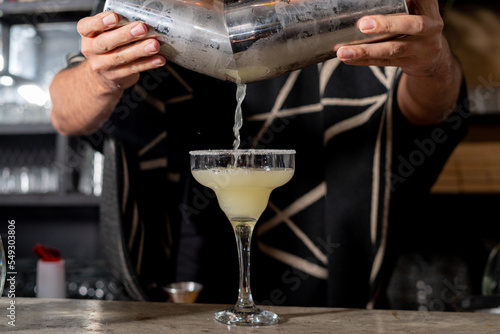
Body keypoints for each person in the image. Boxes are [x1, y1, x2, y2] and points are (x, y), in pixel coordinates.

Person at [49, 0, 469, 308]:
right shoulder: (155, 9)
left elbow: (429, 113)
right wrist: (100, 76)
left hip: (336, 293)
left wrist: (432, 65)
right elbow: (65, 112)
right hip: (170, 285)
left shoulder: (350, 11)